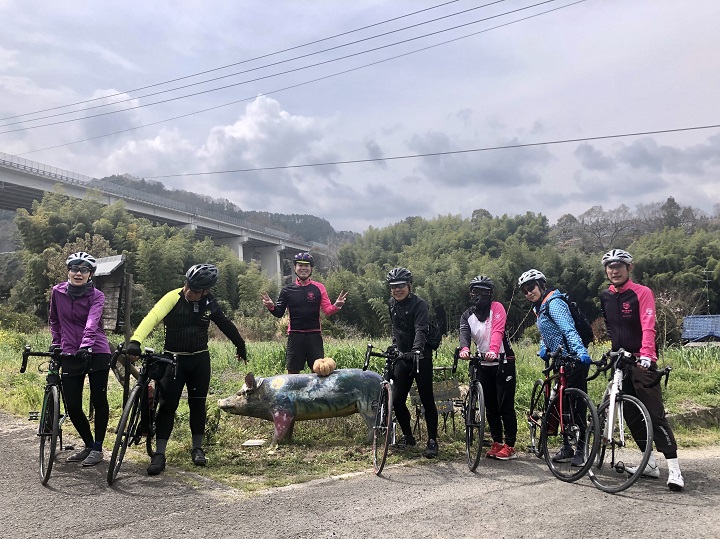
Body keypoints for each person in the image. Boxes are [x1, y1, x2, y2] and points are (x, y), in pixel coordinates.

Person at [127, 263, 247, 476]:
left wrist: (240, 344)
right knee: (167, 405)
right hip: (172, 360)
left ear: (206, 291)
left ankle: (197, 448)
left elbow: (224, 323)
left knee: (197, 404)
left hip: (200, 360)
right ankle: (160, 453)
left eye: (195, 290)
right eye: (188, 286)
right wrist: (136, 340)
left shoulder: (209, 302)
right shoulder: (173, 297)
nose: (189, 292)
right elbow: (153, 317)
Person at [599, 249, 684, 491]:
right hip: (620, 362)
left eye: (619, 266)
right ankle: (649, 464)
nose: (614, 270)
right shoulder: (605, 296)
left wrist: (647, 354)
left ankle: (675, 470)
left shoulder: (641, 293)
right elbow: (610, 327)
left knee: (655, 415)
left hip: (642, 361)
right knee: (631, 415)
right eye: (610, 266)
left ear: (629, 268)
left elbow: (648, 325)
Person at [518, 268, 592, 467]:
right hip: (559, 360)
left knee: (577, 406)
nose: (528, 293)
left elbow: (568, 329)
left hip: (574, 359)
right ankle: (567, 446)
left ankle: (581, 450)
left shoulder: (554, 303)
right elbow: (546, 332)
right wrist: (544, 348)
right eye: (524, 291)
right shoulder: (539, 307)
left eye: (531, 287)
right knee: (561, 406)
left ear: (542, 285)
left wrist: (580, 352)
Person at [48, 251, 112, 467]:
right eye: (74, 268)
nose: (78, 273)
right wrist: (57, 343)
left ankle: (98, 448)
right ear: (68, 271)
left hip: (97, 351)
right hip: (68, 351)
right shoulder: (57, 292)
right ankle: (88, 444)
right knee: (73, 404)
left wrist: (86, 345)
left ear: (90, 274)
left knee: (99, 399)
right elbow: (54, 320)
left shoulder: (97, 295)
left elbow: (92, 321)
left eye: (84, 270)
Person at [459, 275, 517, 460]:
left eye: (484, 292)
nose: (480, 295)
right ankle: (497, 442)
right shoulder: (467, 315)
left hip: (502, 361)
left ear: (490, 293)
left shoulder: (497, 308)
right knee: (490, 406)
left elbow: (498, 330)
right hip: (483, 363)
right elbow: (464, 334)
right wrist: (465, 349)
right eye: (476, 291)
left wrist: (493, 350)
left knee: (504, 405)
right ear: (471, 293)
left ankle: (510, 445)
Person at [261, 252, 347, 374]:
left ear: (311, 268)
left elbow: (327, 310)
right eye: (300, 265)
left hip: (314, 335)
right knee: (293, 374)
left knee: (319, 372)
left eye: (307, 265)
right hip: (295, 336)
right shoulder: (287, 290)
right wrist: (271, 306)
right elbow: (279, 312)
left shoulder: (319, 288)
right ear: (295, 268)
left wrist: (337, 305)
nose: (303, 268)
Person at [385, 267, 439, 458]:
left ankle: (432, 441)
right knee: (397, 401)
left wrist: (416, 350)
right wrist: (394, 346)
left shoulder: (420, 305)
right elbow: (396, 329)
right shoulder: (392, 304)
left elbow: (421, 329)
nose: (397, 290)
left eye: (400, 285)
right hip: (402, 358)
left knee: (427, 399)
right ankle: (408, 436)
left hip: (420, 358)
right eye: (393, 287)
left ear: (408, 285)